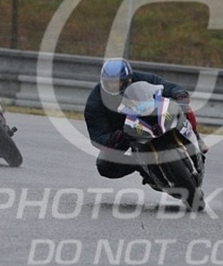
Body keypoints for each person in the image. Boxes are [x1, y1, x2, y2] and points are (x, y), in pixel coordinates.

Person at [84, 57, 208, 186]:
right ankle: (143, 168)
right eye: (109, 82)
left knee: (182, 107)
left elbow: (162, 84)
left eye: (118, 82)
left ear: (128, 79)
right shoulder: (95, 101)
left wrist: (178, 93)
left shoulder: (139, 78)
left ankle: (195, 137)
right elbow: (97, 134)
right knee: (104, 165)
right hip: (126, 133)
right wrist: (112, 138)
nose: (113, 86)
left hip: (151, 116)